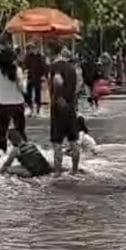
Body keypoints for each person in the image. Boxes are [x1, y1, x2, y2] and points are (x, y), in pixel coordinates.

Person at [49, 47, 80, 176]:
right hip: (71, 108)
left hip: (58, 108)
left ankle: (57, 171)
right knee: (73, 140)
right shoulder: (74, 69)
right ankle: (74, 170)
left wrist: (59, 97)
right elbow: (78, 87)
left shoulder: (55, 67)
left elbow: (57, 81)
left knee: (57, 142)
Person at [0, 47, 26, 153]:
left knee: (2, 129)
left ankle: (2, 151)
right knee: (20, 129)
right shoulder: (17, 70)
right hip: (17, 103)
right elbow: (21, 88)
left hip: (2, 103)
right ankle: (23, 149)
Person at [24, 44, 48, 116]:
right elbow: (26, 65)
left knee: (38, 93)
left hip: (37, 77)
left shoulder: (40, 57)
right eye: (32, 48)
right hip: (30, 77)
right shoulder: (28, 57)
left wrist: (43, 75)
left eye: (34, 48)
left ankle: (37, 108)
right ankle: (31, 108)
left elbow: (44, 66)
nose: (33, 50)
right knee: (29, 93)